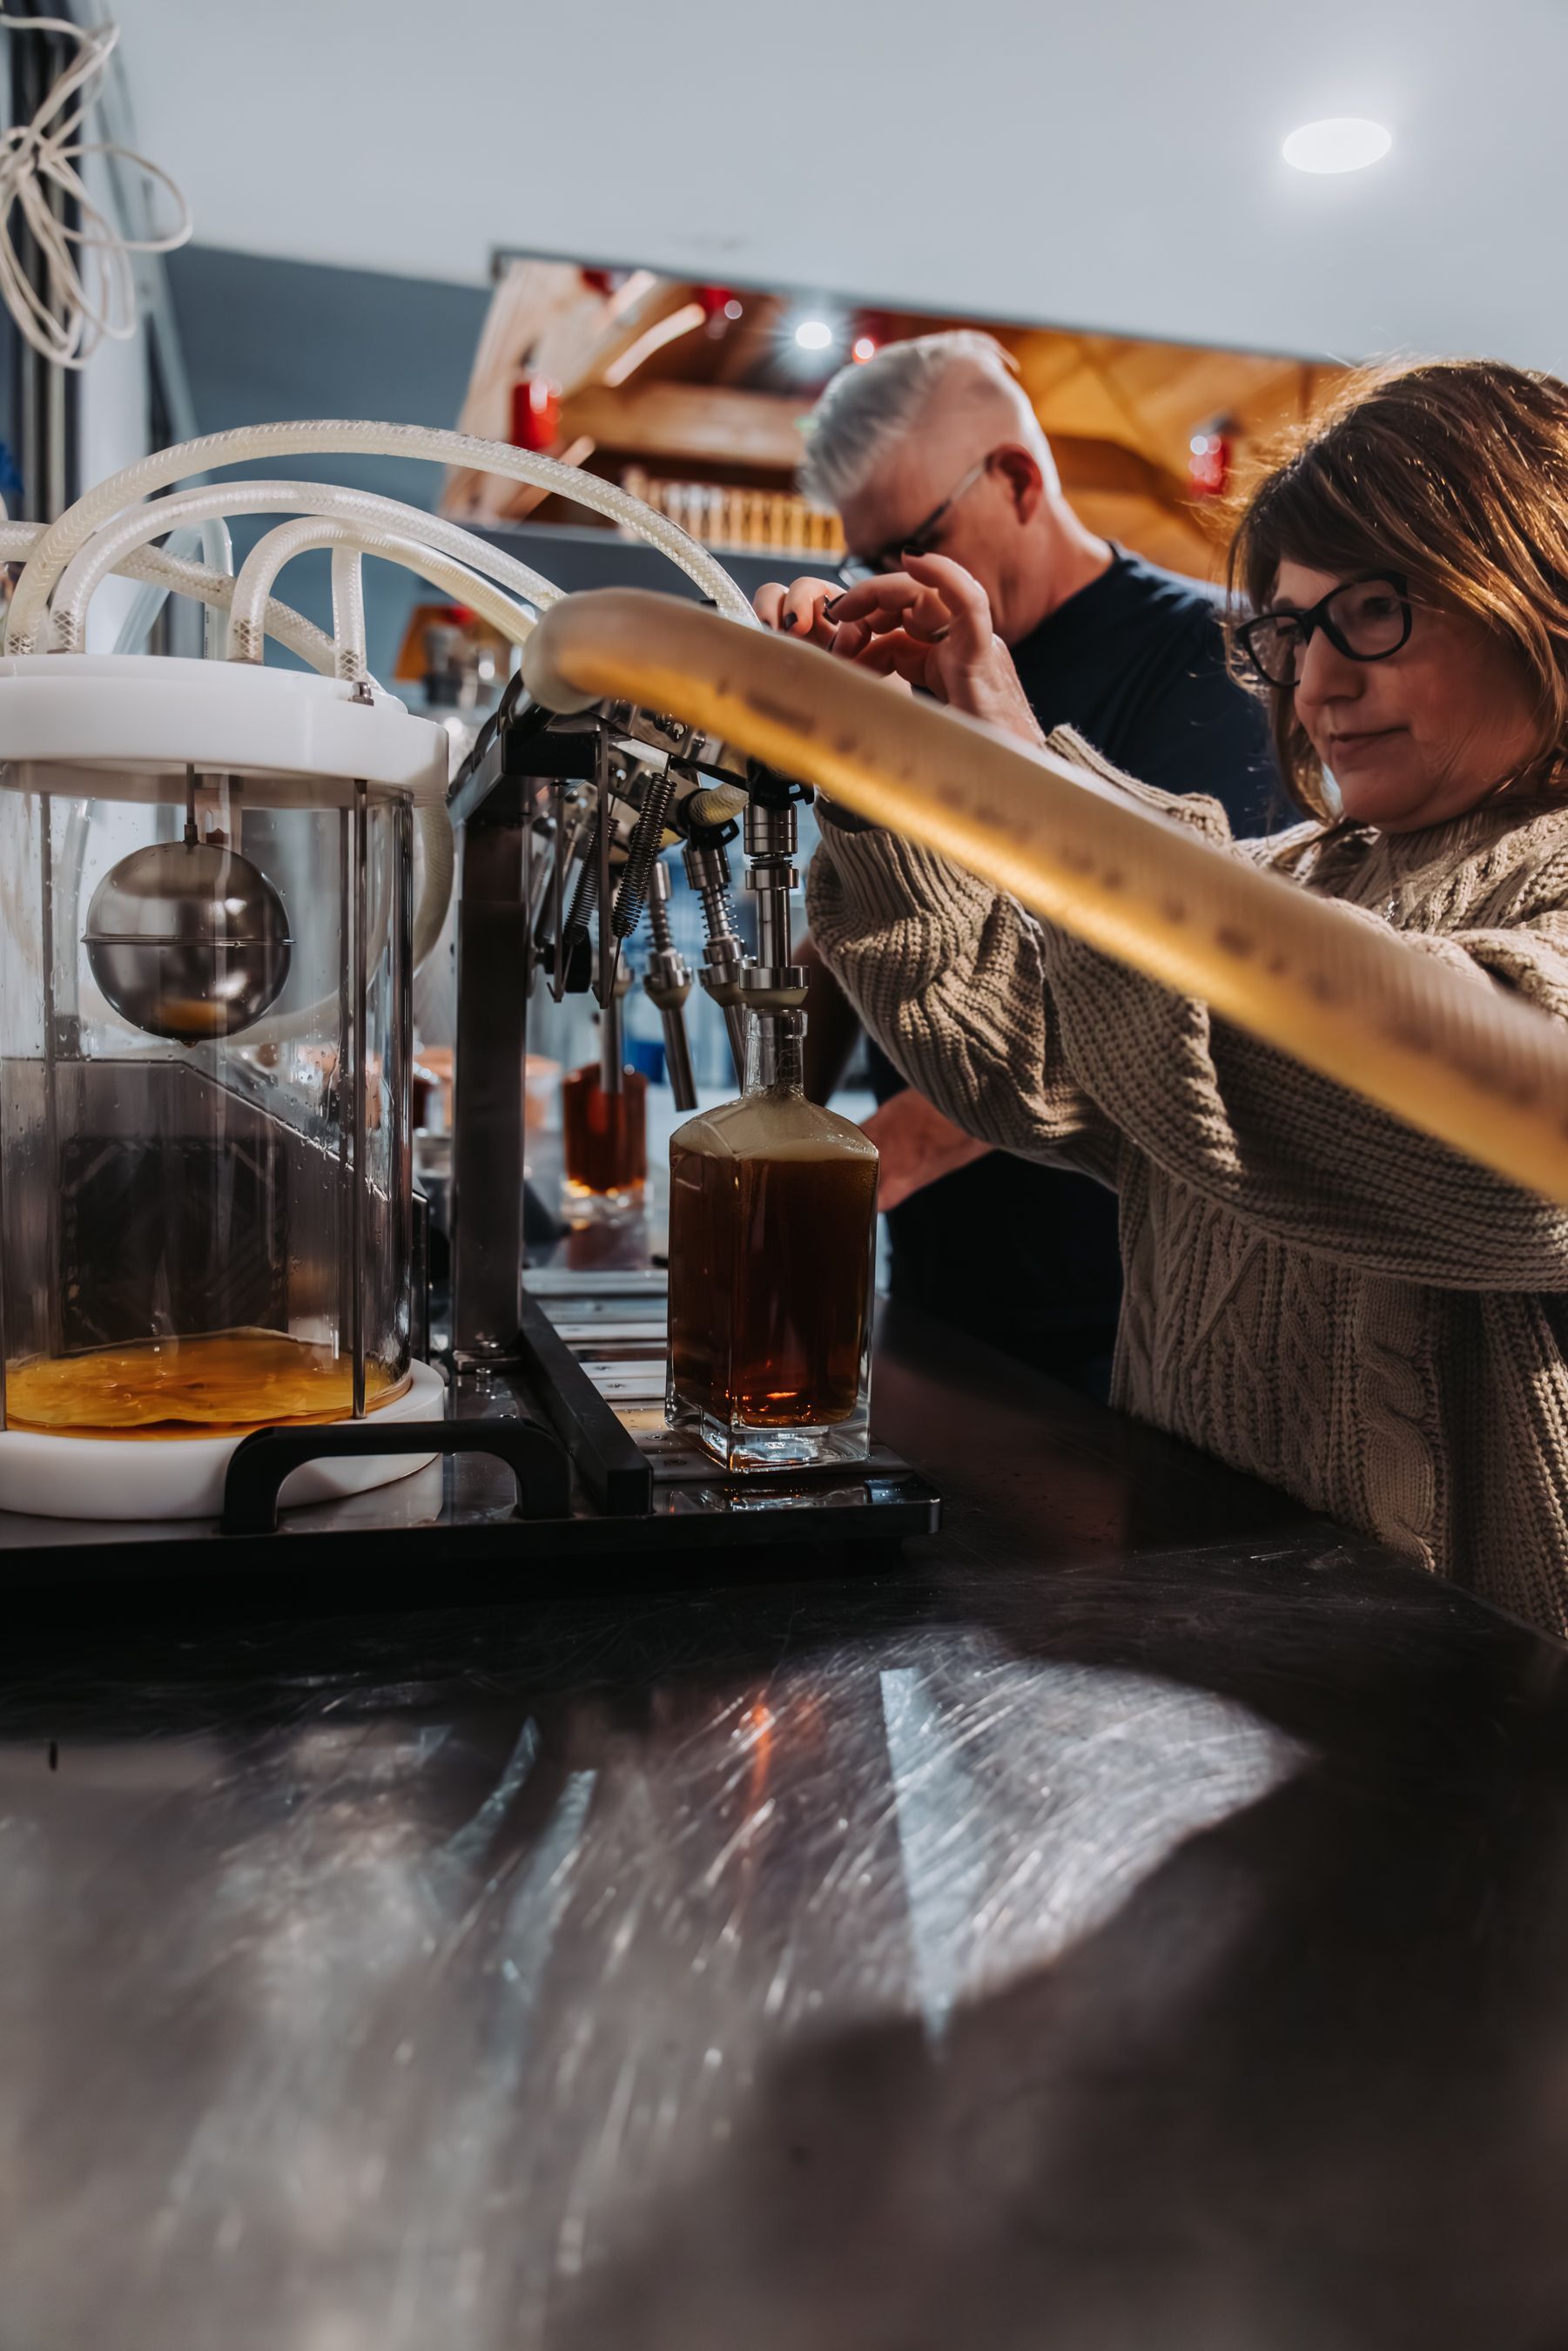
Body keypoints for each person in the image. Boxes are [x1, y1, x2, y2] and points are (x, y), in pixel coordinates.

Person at [804, 357, 1568, 1637]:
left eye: (1374, 611)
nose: (1317, 683)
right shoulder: (1275, 877)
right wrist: (880, 770)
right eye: (1288, 629)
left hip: (1476, 1693)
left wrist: (1035, 795)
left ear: (1536, 590)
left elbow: (1484, 1139)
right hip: (1204, 1608)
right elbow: (1018, 1057)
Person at [757, 332, 1279, 1396]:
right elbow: (893, 915)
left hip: (1115, 1308)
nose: (881, 583)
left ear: (1015, 478)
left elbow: (1148, 986)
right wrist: (772, 1116)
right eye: (865, 559)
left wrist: (856, 1176)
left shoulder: (1211, 661)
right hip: (945, 1285)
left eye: (907, 542)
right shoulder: (924, 662)